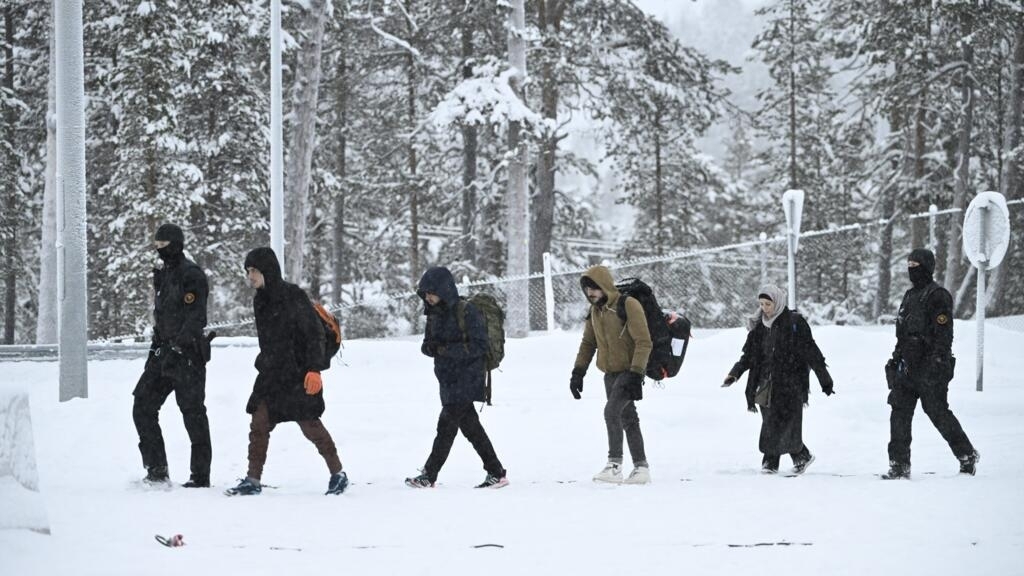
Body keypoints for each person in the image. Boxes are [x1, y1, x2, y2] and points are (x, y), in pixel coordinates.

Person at [225, 247, 348, 496]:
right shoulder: (259, 299)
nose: (250, 276)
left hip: (297, 373)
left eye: (254, 270)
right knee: (259, 423)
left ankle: (338, 473)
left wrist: (314, 369)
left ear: (267, 271)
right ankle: (253, 479)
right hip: (271, 375)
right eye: (248, 270)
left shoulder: (293, 296)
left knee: (310, 425)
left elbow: (314, 335)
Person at [405, 266, 508, 489]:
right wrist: (432, 348)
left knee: (446, 427)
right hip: (447, 378)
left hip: (468, 377)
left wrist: (446, 350)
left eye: (431, 292)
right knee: (471, 428)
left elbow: (480, 346)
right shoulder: (433, 315)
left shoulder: (466, 311)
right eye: (425, 294)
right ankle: (496, 472)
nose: (429, 297)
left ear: (443, 290)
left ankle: (429, 475)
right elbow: (427, 347)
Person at [882, 248, 979, 479]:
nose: (911, 270)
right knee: (899, 412)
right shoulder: (909, 296)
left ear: (926, 266)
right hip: (907, 367)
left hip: (930, 368)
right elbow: (902, 334)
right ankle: (898, 464)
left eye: (915, 265)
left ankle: (966, 455)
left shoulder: (938, 296)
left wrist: (936, 364)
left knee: (937, 412)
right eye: (909, 265)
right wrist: (895, 360)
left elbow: (944, 335)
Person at [132, 223, 213, 488]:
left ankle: (200, 477)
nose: (159, 251)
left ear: (175, 244)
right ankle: (156, 470)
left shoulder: (192, 275)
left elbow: (195, 317)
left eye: (163, 246)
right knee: (143, 405)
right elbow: (163, 318)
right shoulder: (164, 274)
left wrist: (178, 348)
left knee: (192, 413)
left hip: (187, 356)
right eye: (156, 247)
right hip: (162, 353)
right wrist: (157, 350)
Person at [722, 284, 834, 475]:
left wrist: (825, 379)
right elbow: (748, 356)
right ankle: (796, 457)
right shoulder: (758, 327)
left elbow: (811, 352)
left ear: (778, 302)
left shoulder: (794, 322)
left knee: (785, 423)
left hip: (791, 383)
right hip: (766, 384)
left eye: (768, 304)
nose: (764, 308)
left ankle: (773, 462)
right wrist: (735, 373)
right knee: (771, 423)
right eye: (761, 304)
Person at [571, 265, 653, 484]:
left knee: (611, 412)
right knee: (628, 419)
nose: (591, 293)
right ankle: (641, 468)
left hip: (629, 371)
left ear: (605, 286)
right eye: (587, 289)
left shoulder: (628, 304)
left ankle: (614, 465)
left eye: (595, 288)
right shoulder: (595, 312)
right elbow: (588, 343)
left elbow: (644, 341)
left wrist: (636, 373)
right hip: (610, 374)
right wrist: (578, 372)